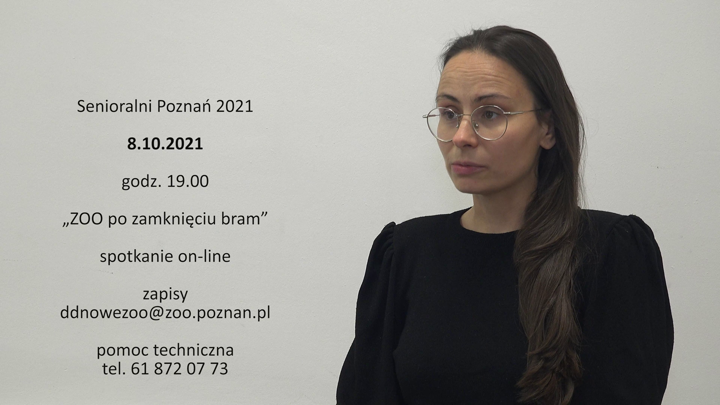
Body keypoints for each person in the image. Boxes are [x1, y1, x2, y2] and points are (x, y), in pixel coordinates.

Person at [336, 26, 673, 405]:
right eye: (449, 113)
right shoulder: (405, 252)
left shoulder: (610, 250)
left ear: (548, 128)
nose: (461, 136)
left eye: (490, 114)